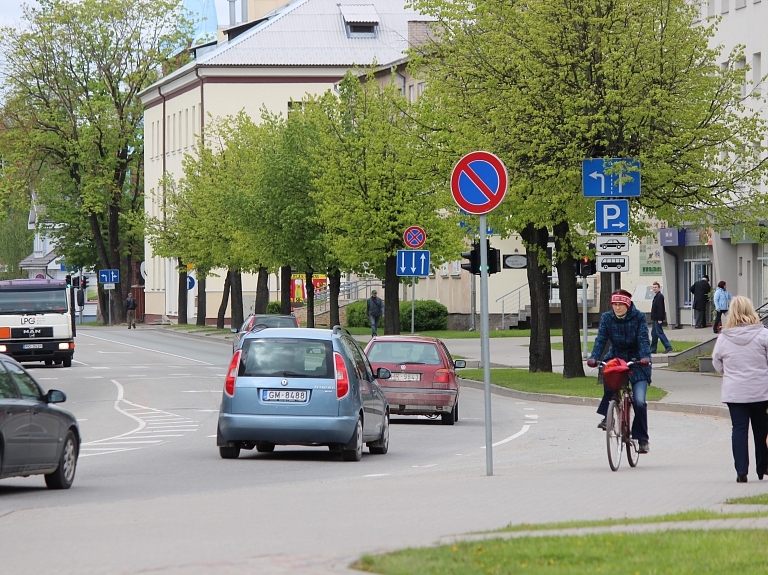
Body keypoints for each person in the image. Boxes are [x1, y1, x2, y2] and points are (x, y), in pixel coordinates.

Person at [587, 290, 652, 454]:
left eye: (620, 305)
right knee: (609, 374)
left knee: (639, 401)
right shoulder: (607, 318)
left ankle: (642, 438)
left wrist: (644, 357)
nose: (617, 308)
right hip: (616, 357)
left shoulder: (639, 317)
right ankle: (608, 416)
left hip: (637, 361)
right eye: (614, 305)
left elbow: (643, 339)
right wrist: (594, 357)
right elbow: (601, 338)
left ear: (627, 305)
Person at [712, 295, 768, 483]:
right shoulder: (763, 334)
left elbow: (717, 362)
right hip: (761, 390)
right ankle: (763, 466)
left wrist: (729, 374)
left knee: (739, 429)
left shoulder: (724, 338)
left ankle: (741, 471)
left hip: (734, 391)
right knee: (761, 429)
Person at [650, 281, 674, 354]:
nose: (654, 289)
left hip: (658, 318)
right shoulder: (657, 296)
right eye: (653, 287)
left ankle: (668, 347)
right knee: (654, 333)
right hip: (655, 318)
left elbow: (661, 308)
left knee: (659, 332)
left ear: (659, 288)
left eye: (656, 287)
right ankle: (653, 349)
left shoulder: (660, 296)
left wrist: (660, 318)